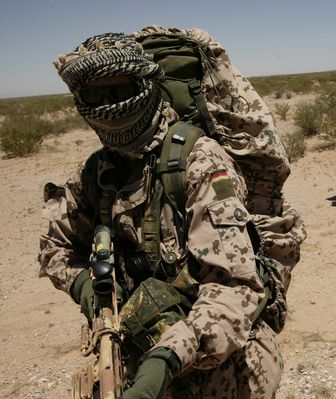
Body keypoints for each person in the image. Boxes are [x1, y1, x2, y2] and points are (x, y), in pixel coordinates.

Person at [39, 26, 305, 398]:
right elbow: (55, 246)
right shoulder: (95, 174)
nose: (110, 105)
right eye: (97, 94)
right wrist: (84, 283)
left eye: (121, 91)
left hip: (227, 365)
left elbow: (235, 287)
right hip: (142, 353)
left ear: (147, 84)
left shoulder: (199, 161)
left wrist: (167, 356)